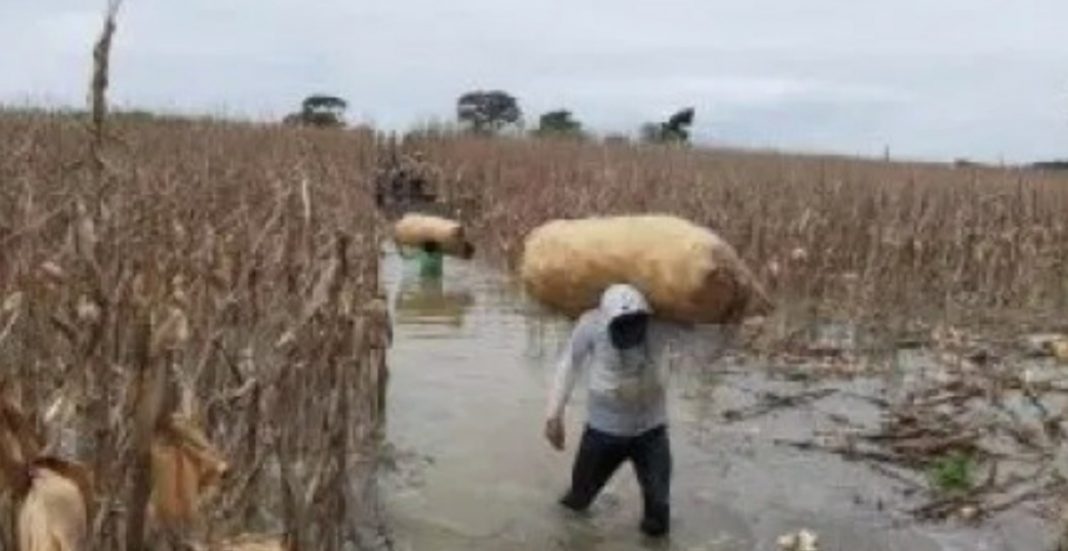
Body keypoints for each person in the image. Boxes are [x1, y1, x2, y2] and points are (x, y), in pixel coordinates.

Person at [544, 283, 675, 538]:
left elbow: (705, 338)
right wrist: (553, 415)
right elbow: (569, 365)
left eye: (635, 323)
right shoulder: (591, 324)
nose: (631, 331)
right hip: (603, 433)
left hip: (651, 432)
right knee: (576, 505)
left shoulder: (661, 325)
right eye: (622, 325)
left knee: (658, 516)